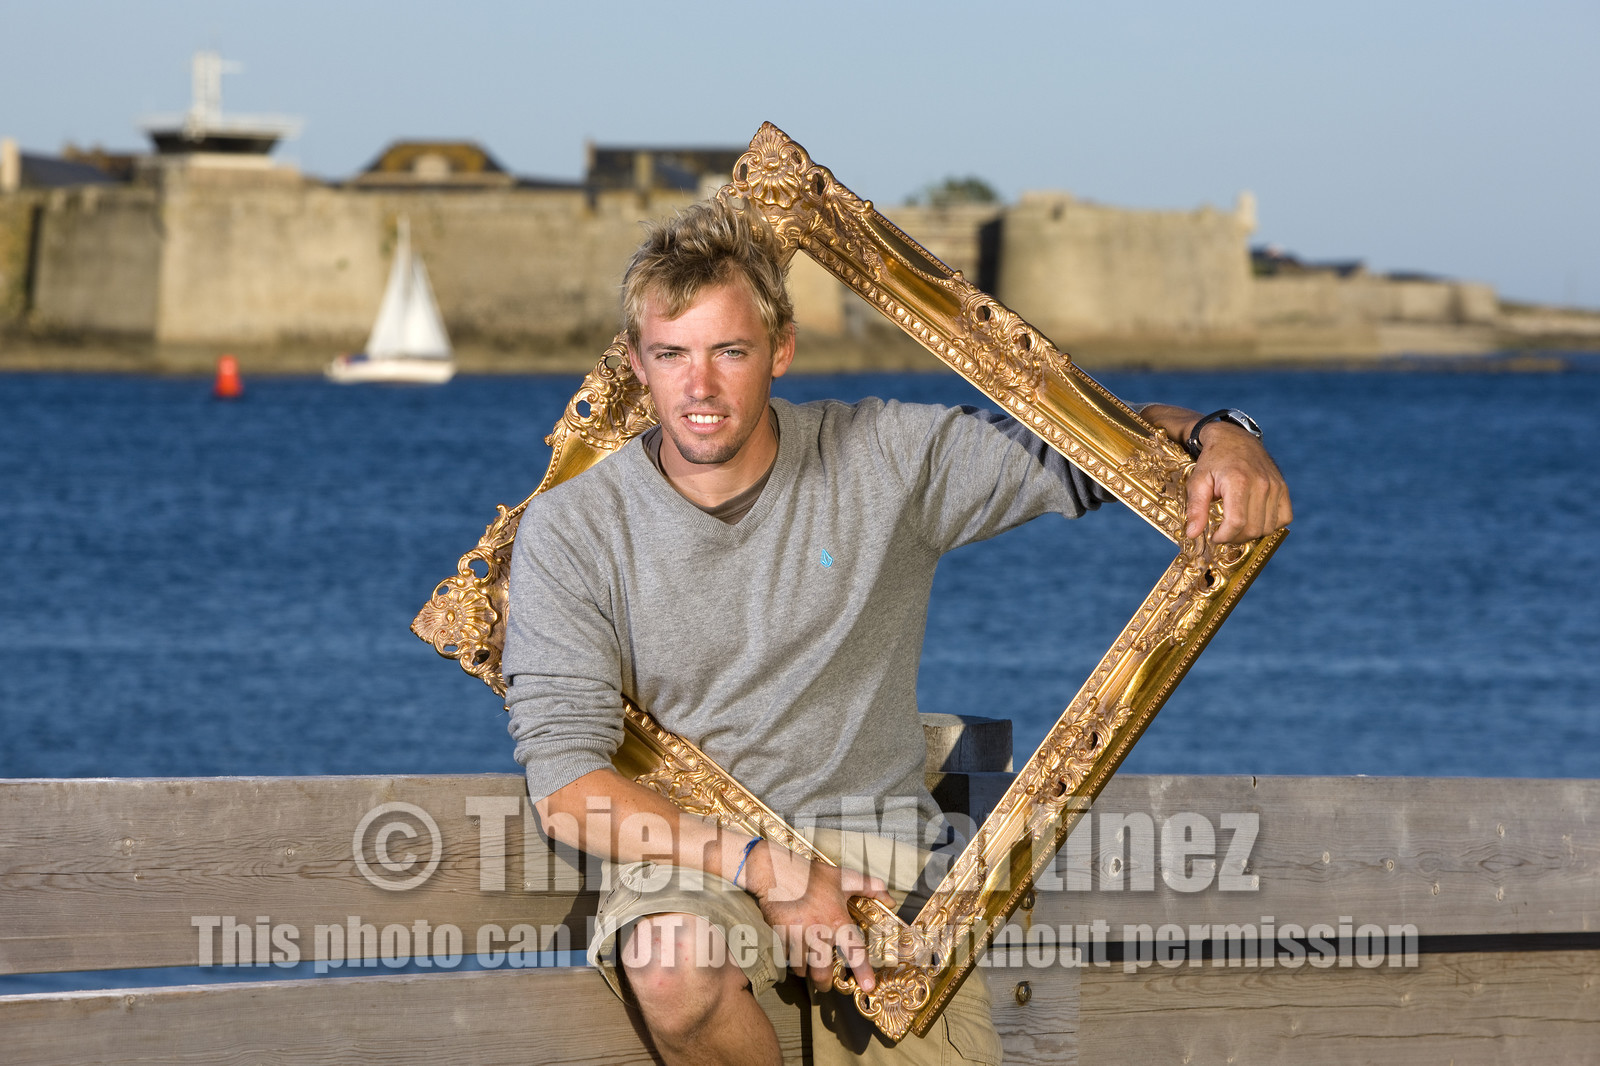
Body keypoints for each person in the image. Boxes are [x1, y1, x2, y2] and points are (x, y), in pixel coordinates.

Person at [502, 198, 1291, 1065]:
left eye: (730, 351)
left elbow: (1091, 451)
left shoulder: (883, 456)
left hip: (886, 859)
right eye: (672, 355)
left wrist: (1224, 435)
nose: (701, 388)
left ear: (781, 350)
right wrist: (771, 871)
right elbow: (570, 786)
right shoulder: (574, 528)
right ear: (636, 365)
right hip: (699, 860)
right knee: (671, 963)